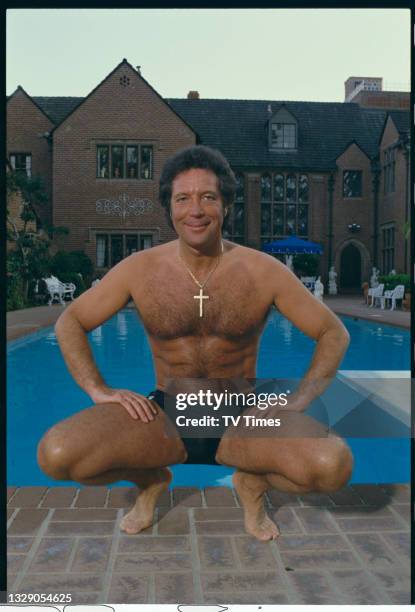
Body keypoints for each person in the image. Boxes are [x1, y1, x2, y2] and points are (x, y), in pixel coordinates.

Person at [37, 145, 353, 541]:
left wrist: (301, 398)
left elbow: (333, 332)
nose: (196, 210)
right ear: (168, 207)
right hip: (166, 413)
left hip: (242, 414)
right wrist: (99, 391)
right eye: (182, 198)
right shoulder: (139, 269)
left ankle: (252, 485)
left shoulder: (263, 271)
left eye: (208, 197)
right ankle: (151, 481)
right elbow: (72, 321)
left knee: (332, 464)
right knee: (58, 455)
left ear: (226, 205)